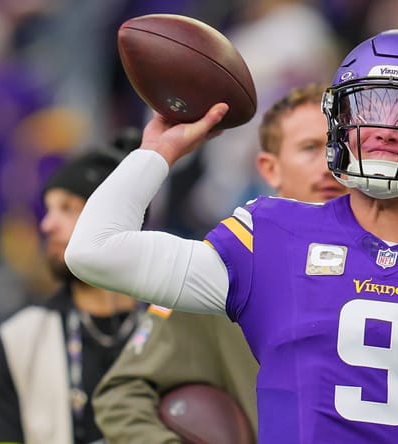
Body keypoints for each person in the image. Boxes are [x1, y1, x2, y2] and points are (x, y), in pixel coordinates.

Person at [66, 29, 398, 443]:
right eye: (369, 110)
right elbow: (94, 251)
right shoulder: (271, 235)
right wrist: (158, 152)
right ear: (341, 124)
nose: (386, 130)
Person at [92, 83, 347, 442]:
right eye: (309, 148)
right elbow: (124, 395)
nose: (328, 164)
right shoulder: (225, 267)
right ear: (269, 169)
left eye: (339, 147)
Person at [0, 135, 144, 444]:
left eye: (67, 208)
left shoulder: (173, 324)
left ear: (117, 219)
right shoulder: (22, 335)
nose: (47, 224)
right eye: (48, 209)